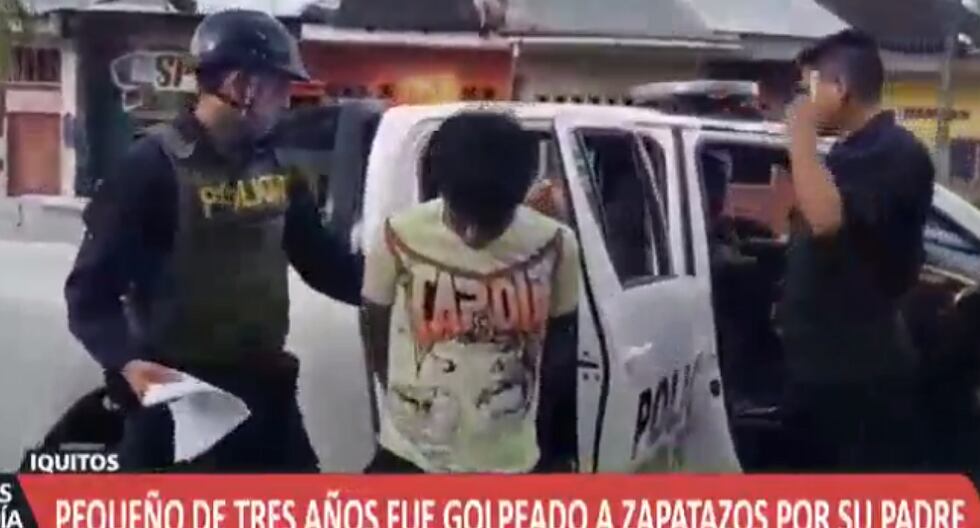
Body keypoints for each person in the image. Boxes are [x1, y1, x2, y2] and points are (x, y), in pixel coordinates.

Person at [64, 9, 363, 472]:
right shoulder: (151, 168)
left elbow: (321, 260)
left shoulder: (277, 168)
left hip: (265, 396)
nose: (286, 102)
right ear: (243, 87)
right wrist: (128, 362)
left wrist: (400, 282)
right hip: (180, 402)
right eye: (280, 87)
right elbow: (89, 294)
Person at [359, 111, 580, 473]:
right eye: (460, 217)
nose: (472, 235)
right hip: (412, 456)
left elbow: (561, 344)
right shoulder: (398, 235)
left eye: (491, 220)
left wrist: (553, 439)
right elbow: (374, 324)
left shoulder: (555, 245)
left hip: (510, 459)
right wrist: (403, 402)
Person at [778, 30, 935, 471]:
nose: (802, 101)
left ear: (840, 87)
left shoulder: (893, 152)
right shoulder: (856, 151)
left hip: (855, 372)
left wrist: (800, 133)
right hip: (825, 367)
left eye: (808, 88)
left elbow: (827, 220)